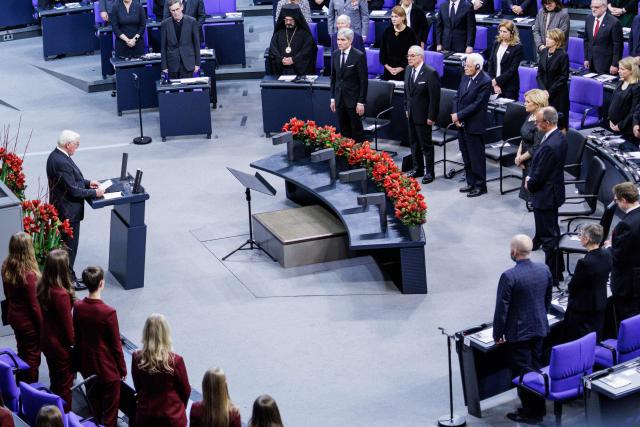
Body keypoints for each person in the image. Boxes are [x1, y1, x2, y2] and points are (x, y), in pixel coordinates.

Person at [493, 234, 552, 424]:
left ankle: (532, 413)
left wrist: (498, 333)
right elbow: (547, 299)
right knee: (536, 367)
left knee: (523, 373)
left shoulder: (509, 276)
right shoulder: (544, 269)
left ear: (514, 251)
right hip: (540, 327)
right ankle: (537, 407)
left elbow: (502, 309)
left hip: (519, 333)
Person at [46, 130, 105, 288]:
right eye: (76, 145)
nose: (76, 149)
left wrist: (88, 182)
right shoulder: (61, 162)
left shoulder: (56, 156)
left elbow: (71, 179)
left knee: (66, 247)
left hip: (62, 208)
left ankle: (68, 275)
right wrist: (95, 192)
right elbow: (73, 190)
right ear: (67, 144)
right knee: (69, 248)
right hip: (68, 212)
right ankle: (69, 280)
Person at [73, 266, 127, 427]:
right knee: (110, 414)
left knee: (94, 405)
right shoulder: (108, 312)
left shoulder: (78, 306)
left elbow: (78, 337)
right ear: (102, 283)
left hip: (88, 366)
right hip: (107, 369)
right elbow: (116, 345)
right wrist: (122, 369)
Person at [525, 107, 567, 287]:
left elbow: (541, 174)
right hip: (551, 192)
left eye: (538, 121)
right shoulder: (558, 136)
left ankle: (553, 277)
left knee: (549, 238)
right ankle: (558, 271)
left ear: (547, 123)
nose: (535, 123)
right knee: (552, 233)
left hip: (546, 196)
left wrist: (529, 182)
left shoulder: (551, 145)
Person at [132, 314, 191, 427]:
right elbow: (185, 390)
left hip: (146, 415)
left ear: (146, 333)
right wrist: (178, 407)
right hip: (171, 416)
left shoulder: (137, 358)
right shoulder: (176, 360)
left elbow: (138, 386)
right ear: (165, 333)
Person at [37, 249, 75, 412]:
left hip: (46, 340)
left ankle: (53, 411)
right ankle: (63, 417)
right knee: (65, 385)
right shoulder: (60, 294)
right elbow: (68, 328)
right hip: (59, 346)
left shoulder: (43, 286)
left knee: (55, 378)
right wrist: (74, 345)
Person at [1, 232, 42, 383]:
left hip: (14, 317)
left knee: (22, 351)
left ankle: (21, 382)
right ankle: (30, 386)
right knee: (33, 356)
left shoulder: (5, 266)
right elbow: (34, 306)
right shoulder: (29, 275)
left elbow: (7, 293)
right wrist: (42, 327)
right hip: (28, 323)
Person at [563, 224, 612, 342]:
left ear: (586, 239)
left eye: (581, 235)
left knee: (579, 339)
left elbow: (574, 286)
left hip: (582, 306)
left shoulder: (585, 263)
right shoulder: (607, 254)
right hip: (600, 301)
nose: (580, 238)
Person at [452, 53, 492, 198]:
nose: (465, 68)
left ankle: (480, 186)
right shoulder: (465, 76)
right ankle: (470, 183)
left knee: (476, 158)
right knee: (466, 155)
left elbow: (477, 105)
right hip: (461, 122)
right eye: (465, 65)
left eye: (468, 66)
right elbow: (456, 97)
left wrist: (459, 115)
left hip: (474, 124)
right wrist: (455, 114)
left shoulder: (485, 81)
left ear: (477, 66)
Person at [404, 45, 441, 183]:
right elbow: (407, 93)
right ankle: (417, 169)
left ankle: (429, 172)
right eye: (408, 56)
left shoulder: (430, 73)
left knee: (426, 145)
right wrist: (406, 108)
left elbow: (434, 98)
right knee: (414, 143)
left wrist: (432, 116)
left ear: (421, 57)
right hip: (411, 114)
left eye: (412, 56)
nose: (409, 58)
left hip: (424, 116)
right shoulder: (408, 70)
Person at [606, 182, 640, 323]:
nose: (616, 203)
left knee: (626, 318)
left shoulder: (625, 225)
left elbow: (618, 257)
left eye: (616, 200)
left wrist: (609, 247)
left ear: (624, 201)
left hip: (628, 282)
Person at [330, 28, 368, 142]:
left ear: (350, 40)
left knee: (356, 131)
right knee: (343, 130)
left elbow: (363, 81)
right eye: (338, 39)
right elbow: (334, 78)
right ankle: (346, 155)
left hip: (353, 100)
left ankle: (359, 155)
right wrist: (333, 99)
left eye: (343, 40)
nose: (339, 42)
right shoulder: (335, 54)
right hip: (339, 99)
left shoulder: (358, 56)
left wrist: (361, 102)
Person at [515, 89, 548, 204]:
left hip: (534, 162)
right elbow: (523, 137)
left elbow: (536, 148)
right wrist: (518, 155)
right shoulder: (530, 115)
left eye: (528, 102)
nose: (525, 103)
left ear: (537, 104)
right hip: (525, 157)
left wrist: (520, 158)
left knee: (536, 197)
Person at [269, 4, 317, 76]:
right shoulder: (278, 33)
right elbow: (273, 49)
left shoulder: (305, 34)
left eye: (291, 20)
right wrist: (281, 59)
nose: (288, 22)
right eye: (286, 20)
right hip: (281, 70)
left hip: (299, 72)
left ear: (296, 19)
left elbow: (307, 51)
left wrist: (294, 60)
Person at [536, 28, 569, 129]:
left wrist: (549, 92)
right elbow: (539, 73)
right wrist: (543, 90)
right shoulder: (544, 52)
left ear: (557, 41)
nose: (547, 39)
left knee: (558, 125)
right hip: (544, 93)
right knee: (545, 123)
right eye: (547, 37)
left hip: (558, 95)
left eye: (550, 38)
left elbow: (563, 77)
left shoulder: (563, 55)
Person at [161, 0, 201, 79]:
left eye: (177, 9)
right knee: (173, 90)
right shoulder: (165, 24)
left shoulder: (192, 21)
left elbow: (196, 44)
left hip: (188, 62)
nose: (175, 12)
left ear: (182, 7)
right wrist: (164, 66)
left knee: (188, 90)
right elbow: (163, 46)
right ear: (170, 10)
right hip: (172, 64)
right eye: (173, 10)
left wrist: (197, 63)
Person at [487, 20, 523, 101]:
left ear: (512, 33)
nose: (502, 34)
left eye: (505, 32)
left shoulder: (517, 47)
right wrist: (494, 83)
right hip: (495, 85)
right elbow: (491, 63)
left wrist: (496, 81)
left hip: (509, 87)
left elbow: (512, 70)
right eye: (500, 31)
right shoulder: (496, 43)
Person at [584, 0, 623, 75]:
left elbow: (618, 46)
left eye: (596, 7)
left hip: (606, 65)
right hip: (591, 62)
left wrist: (615, 64)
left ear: (604, 7)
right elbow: (586, 40)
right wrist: (586, 58)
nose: (593, 9)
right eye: (592, 7)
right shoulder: (589, 18)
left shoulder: (614, 22)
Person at [380, 6, 417, 81]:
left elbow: (412, 54)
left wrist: (401, 68)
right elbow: (382, 52)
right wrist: (389, 68)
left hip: (405, 71)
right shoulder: (387, 31)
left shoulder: (410, 33)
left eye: (396, 17)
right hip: (388, 71)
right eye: (392, 16)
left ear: (403, 18)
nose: (393, 19)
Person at [608, 57, 640, 140]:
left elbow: (633, 111)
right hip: (613, 126)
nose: (618, 71)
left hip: (625, 130)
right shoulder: (620, 82)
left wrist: (620, 125)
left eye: (622, 69)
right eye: (619, 68)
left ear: (631, 70)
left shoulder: (636, 87)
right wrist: (610, 119)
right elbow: (613, 102)